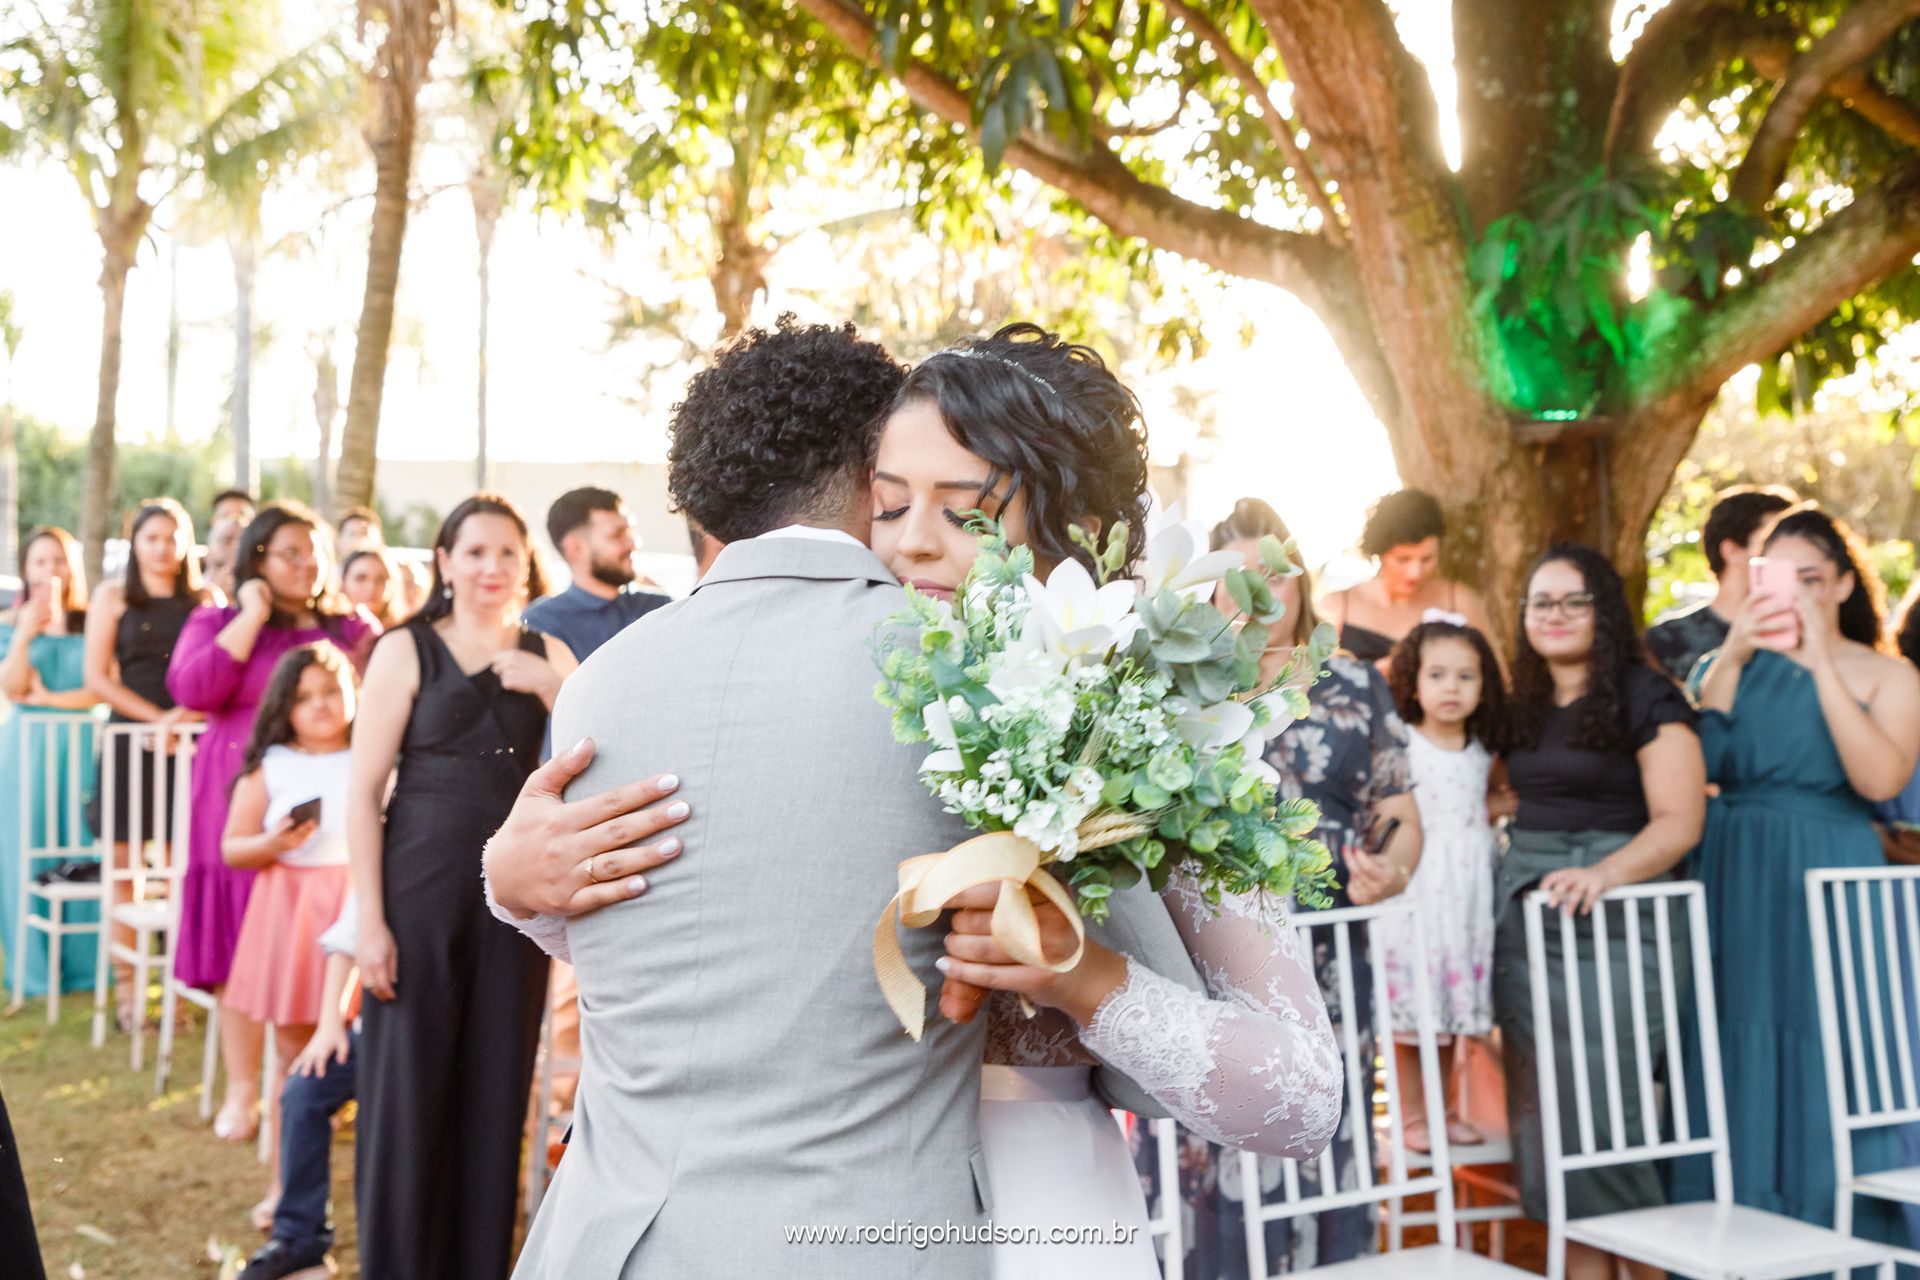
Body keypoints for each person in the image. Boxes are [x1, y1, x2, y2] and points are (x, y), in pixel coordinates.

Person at [491, 319, 1339, 1280]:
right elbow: (745, 938)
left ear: (1072, 532)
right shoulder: (902, 681)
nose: (909, 546)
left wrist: (1082, 977)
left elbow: (1302, 1097)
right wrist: (516, 886)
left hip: (1033, 1218)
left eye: (967, 511)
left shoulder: (1141, 733)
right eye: (888, 506)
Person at [1134, 495, 1420, 1278]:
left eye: (1278, 573)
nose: (1263, 588)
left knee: (1325, 1117)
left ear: (1301, 582)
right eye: (1242, 576)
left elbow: (1399, 812)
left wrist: (1390, 870)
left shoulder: (1356, 686)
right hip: (1213, 949)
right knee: (1222, 1111)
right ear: (1213, 589)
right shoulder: (1178, 686)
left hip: (1330, 946)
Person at [1673, 506, 1920, 1245]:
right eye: (1778, 579)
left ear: (1844, 583)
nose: (1796, 593)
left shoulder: (1890, 674)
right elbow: (1705, 766)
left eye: (1812, 579)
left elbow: (1879, 780)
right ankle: (1732, 1237)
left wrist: (1819, 662)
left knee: (1830, 1044)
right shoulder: (1726, 668)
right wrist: (1736, 658)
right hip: (1734, 873)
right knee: (1730, 1037)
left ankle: (1843, 1240)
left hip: (1830, 876)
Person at [349, 494, 574, 1280]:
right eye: (473, 552)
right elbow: (362, 790)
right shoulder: (405, 649)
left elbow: (593, 756)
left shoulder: (551, 650)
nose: (490, 567)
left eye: (506, 553)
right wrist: (368, 925)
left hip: (513, 905)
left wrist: (550, 687)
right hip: (417, 894)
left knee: (495, 1086)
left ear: (526, 563)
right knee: (407, 1092)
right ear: (444, 562)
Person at [1495, 544, 1705, 1280]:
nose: (1553, 616)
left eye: (1572, 601)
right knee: (1547, 1111)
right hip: (1530, 916)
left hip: (1618, 916)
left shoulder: (1646, 694)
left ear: (1604, 610)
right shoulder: (1522, 700)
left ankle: (1648, 1269)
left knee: (1607, 1104)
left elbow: (1680, 821)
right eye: (1539, 602)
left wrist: (1603, 874)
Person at [166, 502, 377, 1142]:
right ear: (256, 558)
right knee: (240, 948)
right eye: (290, 551)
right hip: (242, 800)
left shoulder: (349, 628)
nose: (307, 563)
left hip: (335, 817)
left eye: (314, 551)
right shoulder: (219, 619)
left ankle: (323, 1078)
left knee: (324, 943)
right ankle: (240, 1087)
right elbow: (192, 689)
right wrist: (252, 615)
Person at [221, 645, 356, 1232]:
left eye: (331, 690)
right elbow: (232, 846)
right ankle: (286, 1186)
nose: (321, 706)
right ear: (285, 707)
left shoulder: (375, 754)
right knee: (291, 1053)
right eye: (304, 698)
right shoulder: (273, 763)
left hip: (356, 903)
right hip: (292, 908)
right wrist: (273, 841)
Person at [83, 499, 210, 1030]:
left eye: (171, 536)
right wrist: (157, 720)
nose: (162, 547)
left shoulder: (206, 599)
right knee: (125, 871)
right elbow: (98, 678)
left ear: (186, 542)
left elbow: (220, 670)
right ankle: (130, 997)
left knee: (182, 870)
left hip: (190, 743)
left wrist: (181, 721)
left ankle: (177, 994)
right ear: (135, 543)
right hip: (129, 742)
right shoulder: (112, 597)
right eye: (151, 536)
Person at [1380, 620, 1505, 1152]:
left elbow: (1493, 799)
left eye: (1465, 676)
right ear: (1413, 682)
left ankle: (1448, 1109)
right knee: (1416, 1006)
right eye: (1437, 675)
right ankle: (1411, 1114)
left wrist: (1491, 810)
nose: (1451, 688)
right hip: (1420, 890)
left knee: (1455, 1006)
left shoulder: (1484, 749)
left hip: (1471, 892)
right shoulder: (1403, 744)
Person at [0, 527, 100, 1000]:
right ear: (27, 570)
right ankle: (34, 970)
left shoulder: (92, 623)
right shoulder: (9, 623)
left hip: (81, 746)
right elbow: (14, 689)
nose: (50, 571)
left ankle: (86, 966)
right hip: (28, 751)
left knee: (84, 847)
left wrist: (52, 700)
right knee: (26, 847)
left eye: (58, 560)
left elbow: (101, 688)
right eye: (39, 562)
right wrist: (22, 636)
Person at [238, 893, 359, 1280]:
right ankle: (298, 1239)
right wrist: (329, 1025)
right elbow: (347, 937)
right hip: (374, 1029)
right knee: (305, 1089)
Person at [1322, 489, 1495, 666]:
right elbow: (1313, 684)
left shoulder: (1458, 600)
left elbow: (1496, 679)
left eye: (1427, 559)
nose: (1415, 572)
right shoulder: (1338, 606)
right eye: (1403, 559)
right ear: (1380, 552)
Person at [1645, 484, 1797, 683]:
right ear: (1732, 551)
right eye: (1773, 541)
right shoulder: (1665, 641)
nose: (1792, 553)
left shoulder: (1804, 630)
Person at [522, 487, 670, 661]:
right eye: (617, 535)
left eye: (630, 531)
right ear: (575, 548)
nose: (633, 543)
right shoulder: (541, 624)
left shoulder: (660, 608)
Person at [204, 490, 256, 603]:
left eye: (241, 515)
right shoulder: (193, 567)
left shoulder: (262, 565)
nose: (234, 522)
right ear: (213, 521)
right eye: (226, 515)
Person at [339, 548, 403, 630]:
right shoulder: (329, 631)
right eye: (361, 578)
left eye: (380, 579)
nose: (372, 587)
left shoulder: (403, 631)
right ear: (343, 583)